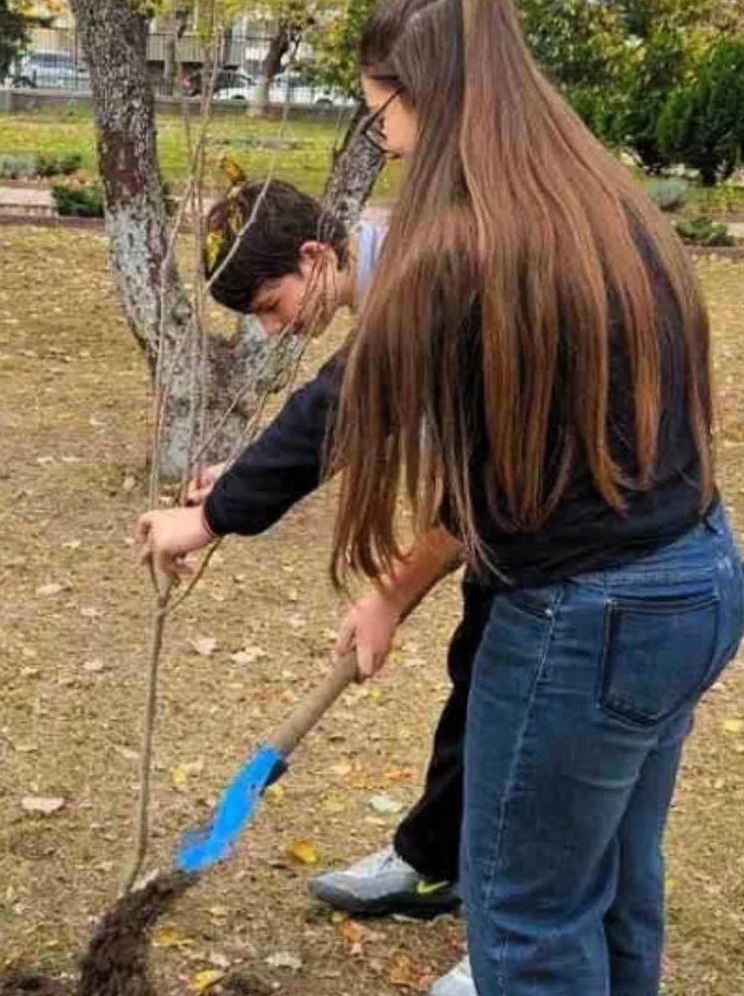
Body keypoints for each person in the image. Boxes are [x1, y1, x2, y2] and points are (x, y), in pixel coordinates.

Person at [137, 0, 744, 996]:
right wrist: (378, 582)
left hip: (587, 617)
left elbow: (350, 400)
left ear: (430, 93)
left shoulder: (462, 237)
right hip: (694, 583)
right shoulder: (590, 201)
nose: (383, 138)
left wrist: (209, 522)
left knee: (529, 929)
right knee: (611, 890)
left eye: (383, 112)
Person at [183, 179, 480, 939]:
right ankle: (432, 861)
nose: (277, 330)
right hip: (515, 534)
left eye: (271, 307)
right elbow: (368, 421)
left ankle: (521, 942)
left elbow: (470, 491)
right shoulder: (389, 283)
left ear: (315, 256)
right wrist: (243, 477)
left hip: (567, 543)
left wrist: (390, 593)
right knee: (479, 681)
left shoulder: (422, 285)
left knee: (514, 712)